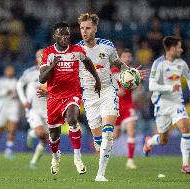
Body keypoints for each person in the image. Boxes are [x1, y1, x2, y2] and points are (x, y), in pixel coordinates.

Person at [77, 13, 147, 181]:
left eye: (87, 28)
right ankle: (98, 143)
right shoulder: (76, 50)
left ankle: (100, 174)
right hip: (89, 96)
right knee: (99, 140)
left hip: (108, 91)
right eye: (81, 28)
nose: (84, 32)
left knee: (108, 134)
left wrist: (131, 72)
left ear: (95, 28)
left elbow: (118, 64)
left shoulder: (107, 46)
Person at [39, 22, 101, 176]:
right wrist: (53, 65)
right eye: (61, 34)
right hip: (53, 97)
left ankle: (77, 158)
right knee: (54, 135)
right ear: (55, 36)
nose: (65, 37)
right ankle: (55, 157)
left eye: (67, 34)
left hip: (72, 94)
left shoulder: (77, 51)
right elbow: (41, 79)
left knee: (73, 119)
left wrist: (97, 79)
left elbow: (88, 63)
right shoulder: (48, 53)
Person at [143, 36, 190, 174]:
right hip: (162, 104)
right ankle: (149, 142)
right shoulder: (158, 64)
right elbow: (151, 85)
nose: (182, 49)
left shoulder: (182, 64)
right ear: (172, 49)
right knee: (163, 140)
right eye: (179, 47)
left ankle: (185, 165)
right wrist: (169, 88)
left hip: (176, 102)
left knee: (185, 127)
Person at [16, 49, 49, 169]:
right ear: (37, 58)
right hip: (33, 109)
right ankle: (34, 132)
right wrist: (24, 100)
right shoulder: (30, 72)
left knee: (46, 139)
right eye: (41, 56)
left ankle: (33, 162)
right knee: (41, 133)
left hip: (48, 109)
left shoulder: (53, 74)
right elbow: (19, 84)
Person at [111, 49, 138, 169]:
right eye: (125, 56)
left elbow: (135, 86)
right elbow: (106, 87)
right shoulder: (113, 72)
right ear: (120, 58)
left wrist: (136, 81)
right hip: (116, 107)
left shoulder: (133, 72)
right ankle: (99, 144)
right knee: (115, 135)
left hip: (128, 106)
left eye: (129, 56)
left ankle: (130, 161)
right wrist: (117, 91)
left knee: (131, 131)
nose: (127, 58)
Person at [0, 65, 20, 160]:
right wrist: (5, 92)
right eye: (9, 70)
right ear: (5, 72)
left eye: (12, 70)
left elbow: (20, 94)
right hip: (2, 108)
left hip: (13, 107)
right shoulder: (0, 82)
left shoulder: (17, 82)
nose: (10, 72)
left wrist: (17, 96)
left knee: (12, 129)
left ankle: (8, 150)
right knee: (0, 128)